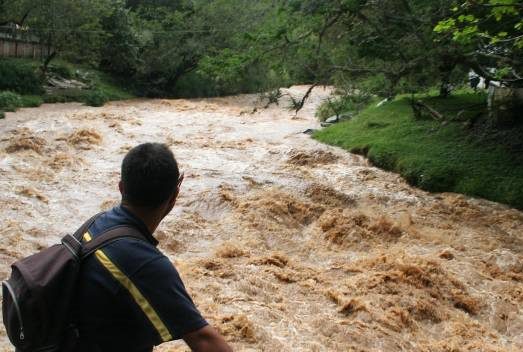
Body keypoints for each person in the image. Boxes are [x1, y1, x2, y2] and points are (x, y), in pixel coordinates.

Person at [73, 143, 232, 352]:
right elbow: (205, 341)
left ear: (121, 187)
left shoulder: (95, 224)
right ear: (174, 197)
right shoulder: (144, 263)